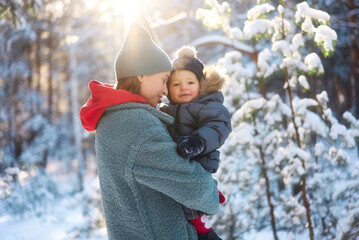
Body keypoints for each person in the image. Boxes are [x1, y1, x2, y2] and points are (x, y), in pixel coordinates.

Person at [80, 23, 220, 240]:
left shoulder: (116, 117)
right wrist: (212, 191)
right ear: (141, 75)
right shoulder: (135, 125)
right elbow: (194, 188)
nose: (166, 91)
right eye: (164, 80)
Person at [160, 47, 232, 240]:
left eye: (190, 82)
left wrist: (198, 141)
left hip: (200, 157)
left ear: (201, 85)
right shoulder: (167, 109)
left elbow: (218, 126)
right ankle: (210, 193)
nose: (183, 88)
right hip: (181, 159)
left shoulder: (208, 104)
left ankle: (204, 229)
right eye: (176, 84)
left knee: (188, 196)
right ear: (168, 89)